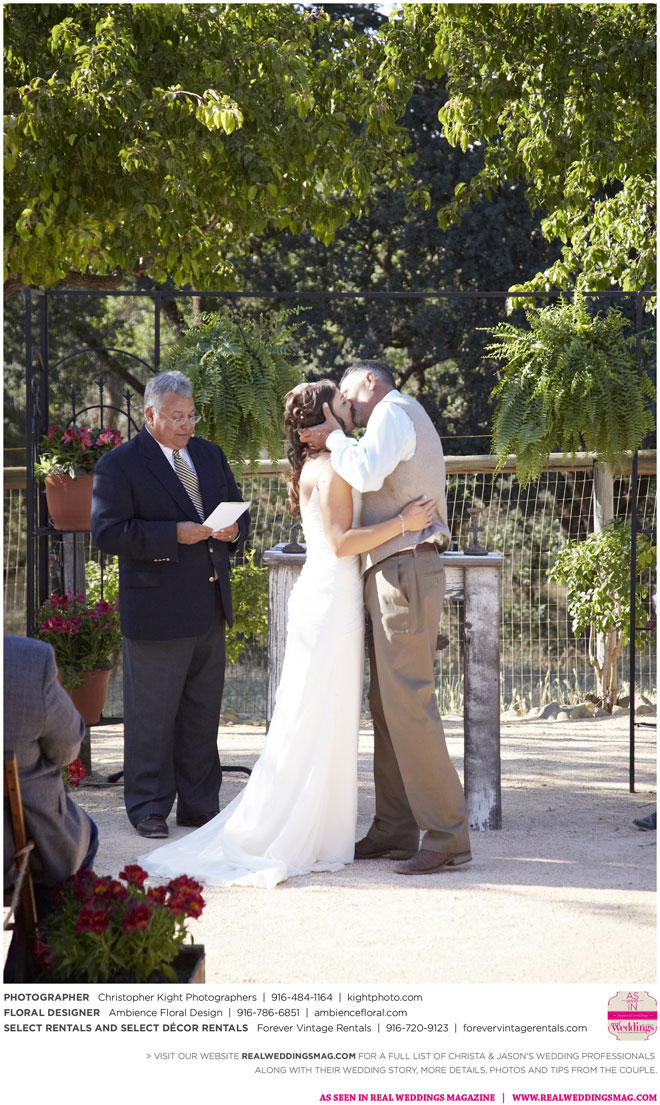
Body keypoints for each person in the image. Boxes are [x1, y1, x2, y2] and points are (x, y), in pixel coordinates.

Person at [138, 380, 434, 888]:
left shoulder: (319, 464)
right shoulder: (332, 467)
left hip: (326, 597)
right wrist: (403, 524)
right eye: (341, 405)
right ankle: (304, 832)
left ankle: (317, 827)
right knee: (320, 714)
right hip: (331, 600)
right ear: (325, 417)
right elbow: (340, 542)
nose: (350, 410)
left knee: (316, 714)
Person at [299, 359, 471, 875]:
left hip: (405, 568)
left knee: (409, 703)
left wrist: (333, 438)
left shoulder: (394, 411)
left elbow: (366, 471)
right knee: (388, 705)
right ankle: (394, 828)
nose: (345, 404)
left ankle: (447, 835)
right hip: (391, 569)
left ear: (370, 381)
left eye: (347, 392)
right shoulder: (384, 422)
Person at [91, 371, 249, 839]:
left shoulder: (210, 455)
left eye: (191, 415)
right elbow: (108, 533)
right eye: (177, 416)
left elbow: (238, 510)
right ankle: (148, 807)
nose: (187, 424)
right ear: (150, 414)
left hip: (209, 607)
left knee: (201, 715)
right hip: (156, 613)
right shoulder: (120, 464)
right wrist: (171, 535)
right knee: (152, 718)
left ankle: (199, 807)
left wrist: (234, 531)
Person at [3, 635, 98, 981]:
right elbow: (67, 747)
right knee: (77, 842)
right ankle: (33, 971)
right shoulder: (26, 660)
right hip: (16, 847)